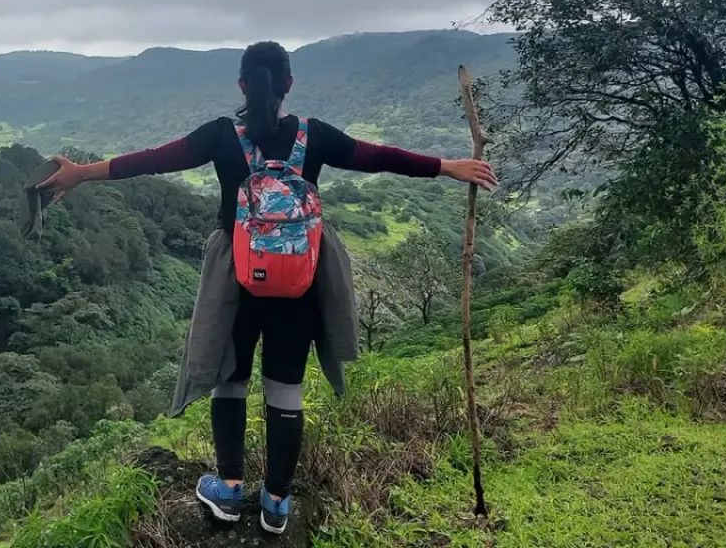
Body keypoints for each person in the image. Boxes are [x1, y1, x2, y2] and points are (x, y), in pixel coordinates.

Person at [36, 40, 496, 535]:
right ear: (289, 84)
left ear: (241, 85)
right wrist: (447, 166)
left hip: (236, 277)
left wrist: (82, 173)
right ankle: (276, 503)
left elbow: (152, 160)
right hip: (299, 282)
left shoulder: (220, 136)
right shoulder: (312, 136)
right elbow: (376, 156)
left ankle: (230, 490)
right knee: (286, 387)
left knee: (229, 379)